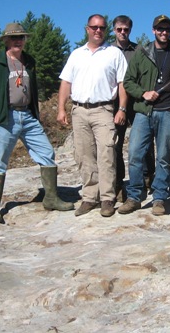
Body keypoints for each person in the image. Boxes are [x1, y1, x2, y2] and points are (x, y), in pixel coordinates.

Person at [0, 23, 74, 224]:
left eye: (21, 37)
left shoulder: (29, 61)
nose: (18, 41)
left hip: (28, 117)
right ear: (6, 40)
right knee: (0, 161)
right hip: (6, 117)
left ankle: (50, 197)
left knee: (47, 152)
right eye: (14, 38)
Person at [57, 14, 128, 218]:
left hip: (104, 110)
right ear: (87, 29)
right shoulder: (76, 54)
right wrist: (61, 108)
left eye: (102, 28)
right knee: (84, 154)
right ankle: (89, 197)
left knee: (107, 154)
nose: (98, 31)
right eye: (94, 27)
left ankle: (107, 198)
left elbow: (122, 84)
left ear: (106, 30)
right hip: (79, 110)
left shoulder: (114, 53)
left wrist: (122, 109)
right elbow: (66, 83)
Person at [120, 15, 170, 216]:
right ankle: (134, 196)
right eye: (160, 29)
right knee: (135, 154)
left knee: (163, 157)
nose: (164, 32)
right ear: (153, 30)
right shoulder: (142, 53)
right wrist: (143, 93)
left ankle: (159, 198)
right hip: (143, 112)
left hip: (168, 112)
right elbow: (128, 81)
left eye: (167, 29)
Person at [110, 15, 154, 203]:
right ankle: (119, 183)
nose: (122, 32)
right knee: (116, 144)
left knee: (145, 142)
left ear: (130, 30)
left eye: (126, 29)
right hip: (114, 104)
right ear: (114, 30)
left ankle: (147, 177)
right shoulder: (107, 51)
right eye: (119, 29)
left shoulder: (139, 51)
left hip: (137, 102)